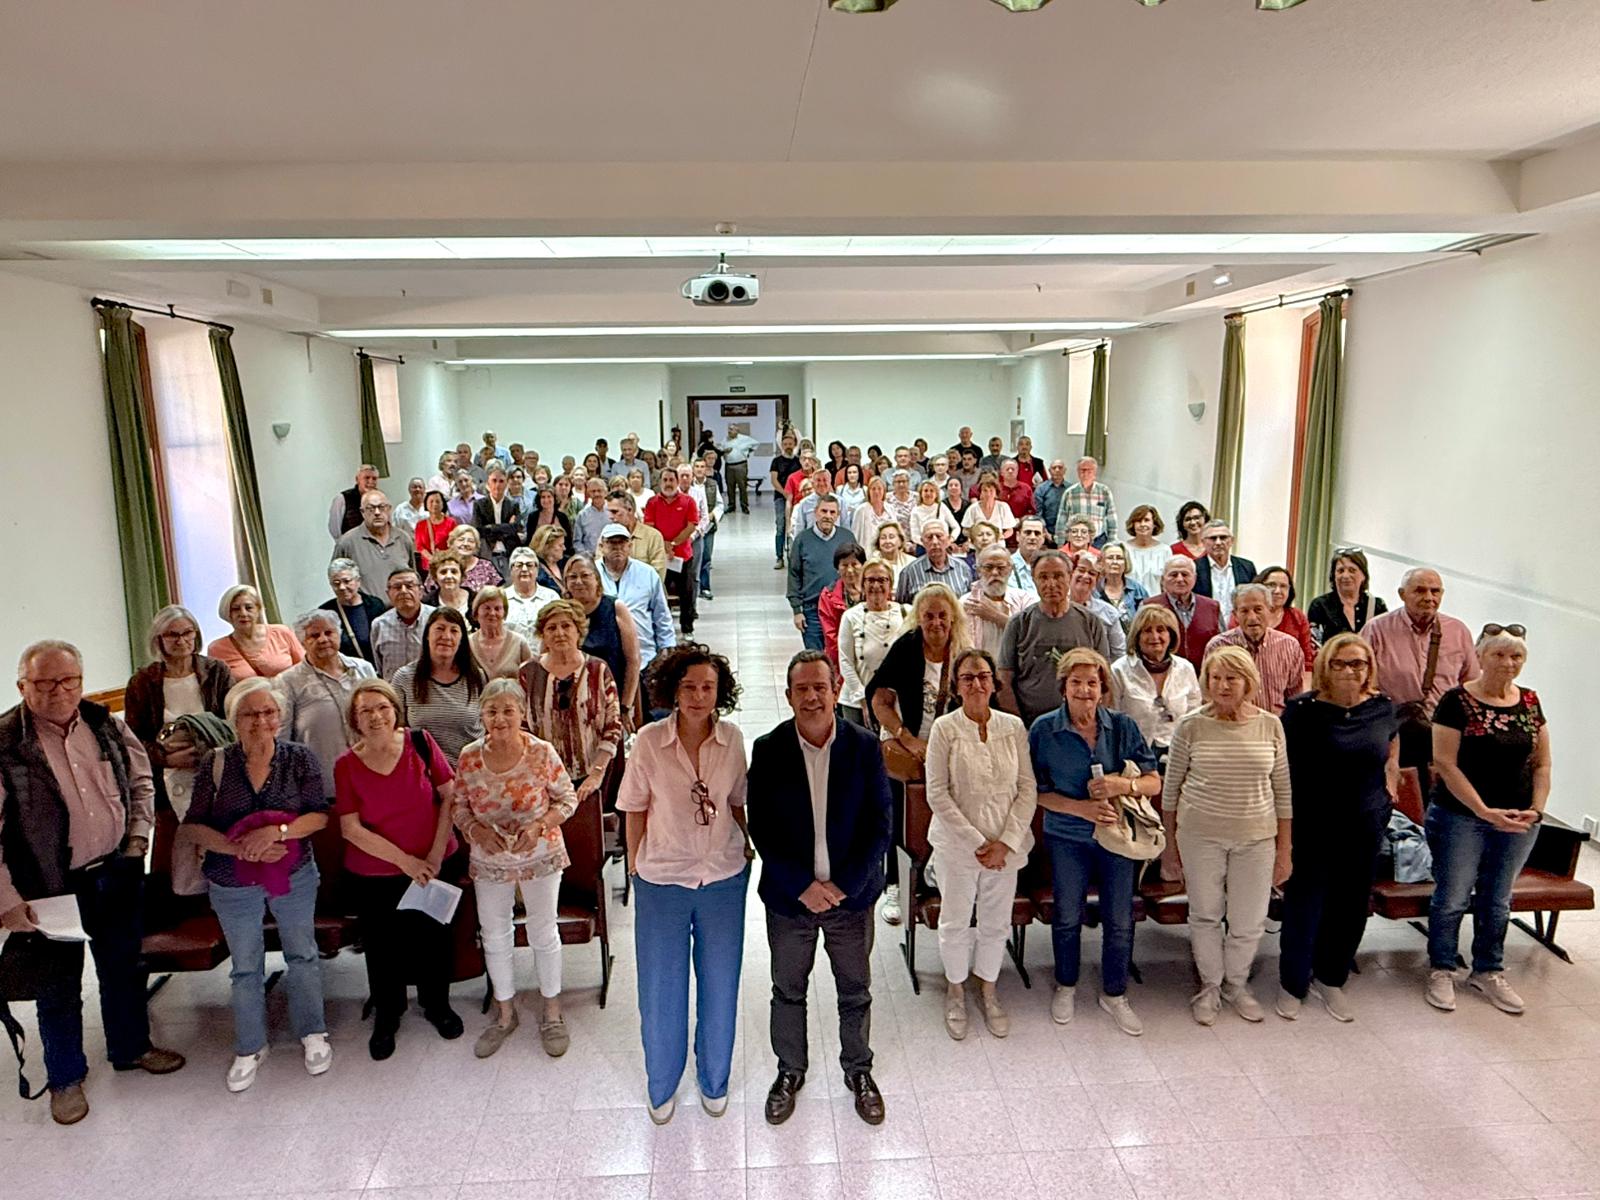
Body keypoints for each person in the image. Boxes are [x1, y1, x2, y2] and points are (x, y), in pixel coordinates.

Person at [1, 641, 184, 1124]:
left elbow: (141, 783)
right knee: (57, 987)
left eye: (69, 680)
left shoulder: (105, 724)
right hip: (47, 887)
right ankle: (65, 1079)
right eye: (44, 683)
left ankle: (130, 1049)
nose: (59, 691)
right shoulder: (5, 743)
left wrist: (137, 841)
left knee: (124, 968)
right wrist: (7, 901)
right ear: (22, 686)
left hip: (116, 872)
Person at [747, 651, 892, 1126]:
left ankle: (859, 1070)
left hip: (851, 898)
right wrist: (804, 886)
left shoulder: (865, 747)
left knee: (855, 989)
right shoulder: (768, 749)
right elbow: (761, 827)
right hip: (791, 901)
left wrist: (842, 887)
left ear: (836, 689)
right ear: (789, 696)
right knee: (788, 990)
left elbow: (880, 825)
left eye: (820, 687)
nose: (811, 697)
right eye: (801, 689)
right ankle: (790, 1070)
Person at [617, 645, 752, 1124]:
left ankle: (714, 1078)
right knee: (661, 987)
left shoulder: (733, 740)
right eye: (689, 686)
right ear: (673, 690)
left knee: (720, 982)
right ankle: (662, 1083)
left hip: (723, 877)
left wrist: (748, 847)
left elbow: (737, 801)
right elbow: (632, 807)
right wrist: (635, 867)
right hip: (662, 879)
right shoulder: (649, 742)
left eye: (708, 687)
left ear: (721, 693)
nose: (698, 695)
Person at [183, 679, 330, 1092]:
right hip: (232, 879)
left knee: (303, 953)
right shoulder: (215, 763)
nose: (260, 721)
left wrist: (276, 834)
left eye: (268, 712)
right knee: (246, 966)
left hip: (294, 872)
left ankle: (312, 1033)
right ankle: (250, 1046)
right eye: (249, 714)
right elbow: (193, 825)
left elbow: (318, 815)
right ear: (234, 721)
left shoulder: (299, 759)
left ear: (280, 718)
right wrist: (240, 848)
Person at [1030, 648, 1160, 1036]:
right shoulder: (1043, 730)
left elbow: (1154, 781)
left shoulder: (1121, 726)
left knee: (1120, 919)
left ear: (1104, 688)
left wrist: (1123, 784)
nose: (1085, 690)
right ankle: (1066, 985)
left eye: (1092, 682)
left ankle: (1115, 993)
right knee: (1067, 916)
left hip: (1117, 838)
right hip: (1067, 836)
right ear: (1063, 688)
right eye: (1076, 682)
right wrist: (1080, 809)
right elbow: (1035, 792)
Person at [1160, 645, 1293, 1025]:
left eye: (1231, 678)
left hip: (1256, 838)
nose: (1222, 685)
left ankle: (1236, 985)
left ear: (1248, 682)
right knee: (1204, 915)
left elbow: (1283, 791)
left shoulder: (1270, 725)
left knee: (1249, 920)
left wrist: (1284, 850)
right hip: (1200, 835)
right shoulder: (1191, 725)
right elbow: (1171, 793)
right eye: (1215, 678)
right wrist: (1170, 849)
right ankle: (1210, 987)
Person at [333, 679, 462, 1060]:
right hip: (377, 874)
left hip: (436, 861)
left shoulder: (421, 743)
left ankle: (437, 1004)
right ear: (354, 720)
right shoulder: (346, 765)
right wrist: (405, 862)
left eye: (382, 707)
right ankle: (388, 1015)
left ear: (395, 710)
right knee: (383, 948)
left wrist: (436, 854)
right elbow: (350, 828)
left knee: (435, 937)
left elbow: (449, 794)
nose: (375, 716)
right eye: (365, 711)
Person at [1424, 625, 1549, 1017]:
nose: (1508, 663)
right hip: (1461, 816)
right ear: (1480, 656)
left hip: (1518, 820)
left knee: (1498, 899)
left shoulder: (1529, 702)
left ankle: (1488, 970)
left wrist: (1537, 809)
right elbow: (1445, 763)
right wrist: (1483, 810)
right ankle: (1442, 968)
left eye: (1516, 656)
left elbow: (1542, 763)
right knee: (1453, 896)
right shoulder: (1456, 701)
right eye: (1499, 654)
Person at [453, 679, 578, 1059]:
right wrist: (475, 830)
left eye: (508, 710)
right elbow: (459, 807)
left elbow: (567, 798)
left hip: (540, 854)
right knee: (494, 934)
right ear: (482, 715)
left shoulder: (541, 753)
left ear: (522, 713)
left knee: (543, 929)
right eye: (492, 711)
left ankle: (552, 1011)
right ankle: (505, 1014)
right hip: (490, 858)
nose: (500, 718)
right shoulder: (469, 757)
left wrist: (540, 825)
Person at [1277, 634, 1399, 1023]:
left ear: (1369, 668)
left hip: (1364, 823)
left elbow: (1389, 752)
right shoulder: (1301, 711)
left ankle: (1331, 978)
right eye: (1340, 663)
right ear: (1324, 666)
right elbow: (1282, 772)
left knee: (1349, 906)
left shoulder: (1382, 708)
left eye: (1358, 663)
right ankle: (1293, 983)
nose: (1349, 671)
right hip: (1312, 824)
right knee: (1305, 905)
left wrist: (1389, 791)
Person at [925, 647, 1036, 1040]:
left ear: (994, 682)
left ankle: (987, 989)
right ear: (956, 686)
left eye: (983, 676)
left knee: (995, 922)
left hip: (1007, 847)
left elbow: (1027, 788)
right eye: (968, 677)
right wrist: (978, 842)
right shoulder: (945, 729)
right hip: (958, 847)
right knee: (956, 921)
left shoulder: (1012, 727)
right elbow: (937, 794)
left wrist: (1005, 842)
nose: (976, 683)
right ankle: (955, 990)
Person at [866, 584, 969, 925]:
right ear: (918, 619)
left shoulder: (963, 652)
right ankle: (895, 884)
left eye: (943, 615)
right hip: (908, 746)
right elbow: (880, 700)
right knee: (899, 816)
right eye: (929, 616)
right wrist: (906, 737)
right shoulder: (906, 649)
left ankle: (938, 877)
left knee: (946, 815)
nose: (936, 622)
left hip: (950, 750)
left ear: (953, 617)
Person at [1362, 567, 1480, 793]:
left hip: (1442, 735)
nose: (1429, 598)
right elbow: (1362, 685)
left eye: (1435, 591)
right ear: (1402, 594)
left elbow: (1471, 686)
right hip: (1393, 734)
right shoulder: (1377, 629)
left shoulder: (1458, 632)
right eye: (1420, 590)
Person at [123, 606, 233, 820]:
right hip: (166, 777)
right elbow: (132, 739)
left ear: (196, 634)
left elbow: (232, 722)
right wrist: (167, 759)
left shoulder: (217, 671)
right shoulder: (143, 681)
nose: (181, 640)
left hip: (217, 769)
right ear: (159, 639)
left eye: (187, 633)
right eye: (173, 634)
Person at [520, 599, 624, 808]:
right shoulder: (527, 672)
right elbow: (522, 727)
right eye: (551, 628)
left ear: (579, 631)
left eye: (566, 626)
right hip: (543, 780)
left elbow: (613, 726)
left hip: (590, 776)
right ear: (543, 635)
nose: (559, 633)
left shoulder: (598, 670)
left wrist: (596, 773)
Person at [997, 551, 1110, 726]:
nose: (1051, 584)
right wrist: (1020, 727)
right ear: (1034, 580)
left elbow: (1105, 678)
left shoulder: (1090, 622)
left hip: (1082, 726)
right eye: (1043, 577)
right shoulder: (1019, 624)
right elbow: (1004, 681)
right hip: (1030, 725)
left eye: (1058, 576)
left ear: (1070, 577)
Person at [277, 610, 377, 798]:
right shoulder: (287, 681)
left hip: (374, 773)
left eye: (329, 633)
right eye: (314, 635)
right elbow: (282, 739)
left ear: (339, 634)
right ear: (302, 641)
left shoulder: (364, 668)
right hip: (325, 783)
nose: (323, 639)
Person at [1110, 605, 1202, 770]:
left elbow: (1194, 720)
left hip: (1178, 756)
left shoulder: (1185, 668)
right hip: (1133, 758)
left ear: (1171, 635)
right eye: (1147, 631)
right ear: (1137, 636)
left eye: (1161, 630)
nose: (1155, 637)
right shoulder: (1119, 670)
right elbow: (1111, 719)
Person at [390, 608, 486, 763]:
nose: (446, 636)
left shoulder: (476, 678)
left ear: (462, 639)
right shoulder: (404, 678)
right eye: (440, 629)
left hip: (471, 773)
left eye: (454, 631)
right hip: (423, 776)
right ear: (427, 634)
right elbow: (395, 732)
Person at [1204, 584, 1305, 715]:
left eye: (1258, 609)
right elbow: (1209, 696)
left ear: (1270, 610)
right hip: (1231, 726)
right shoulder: (1218, 646)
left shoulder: (1290, 646)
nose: (1252, 617)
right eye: (1244, 611)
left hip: (1276, 727)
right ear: (1235, 615)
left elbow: (1295, 697)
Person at [566, 552, 644, 717]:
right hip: (572, 702)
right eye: (572, 577)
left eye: (585, 575)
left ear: (596, 578)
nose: (578, 581)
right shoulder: (561, 611)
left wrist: (625, 707)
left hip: (612, 700)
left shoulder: (615, 608)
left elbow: (633, 660)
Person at [837, 561, 911, 727]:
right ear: (862, 584)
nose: (876, 585)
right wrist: (863, 698)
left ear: (890, 584)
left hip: (894, 702)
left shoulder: (906, 613)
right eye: (870, 580)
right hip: (856, 703)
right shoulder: (850, 617)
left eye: (881, 580)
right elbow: (845, 662)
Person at [596, 528, 674, 675]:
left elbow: (661, 614)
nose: (618, 548)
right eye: (612, 543)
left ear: (630, 546)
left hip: (644, 658)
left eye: (623, 543)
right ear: (601, 546)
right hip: (602, 660)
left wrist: (666, 648)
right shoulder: (591, 574)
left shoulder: (647, 573)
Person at [788, 496, 857, 651]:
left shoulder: (847, 538)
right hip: (812, 611)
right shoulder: (802, 540)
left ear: (838, 515)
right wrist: (797, 611)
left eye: (832, 512)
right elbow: (794, 575)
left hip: (842, 607)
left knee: (843, 657)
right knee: (816, 660)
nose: (828, 515)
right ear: (815, 513)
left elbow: (858, 571)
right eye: (824, 511)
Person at [1142, 556, 1223, 673]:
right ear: (1163, 579)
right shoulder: (1148, 606)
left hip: (1204, 678)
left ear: (1194, 578)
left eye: (1185, 574)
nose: (1180, 579)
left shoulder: (1212, 607)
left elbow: (1222, 646)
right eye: (1173, 575)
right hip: (1161, 677)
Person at [645, 464, 700, 636]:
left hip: (683, 556)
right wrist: (664, 545)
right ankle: (662, 629)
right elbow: (649, 526)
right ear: (660, 482)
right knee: (660, 594)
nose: (668, 483)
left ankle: (687, 629)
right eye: (665, 480)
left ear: (677, 481)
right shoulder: (652, 502)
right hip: (660, 557)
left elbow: (691, 526)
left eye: (671, 480)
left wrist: (673, 544)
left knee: (687, 595)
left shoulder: (688, 501)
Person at [207, 585, 304, 681]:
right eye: (236, 609)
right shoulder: (217, 649)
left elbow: (306, 668)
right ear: (228, 614)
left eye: (249, 607)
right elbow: (218, 689)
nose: (243, 613)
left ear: (258, 610)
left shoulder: (281, 633)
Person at [334, 490, 415, 598]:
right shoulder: (347, 543)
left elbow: (412, 577)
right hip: (367, 612)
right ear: (362, 512)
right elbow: (336, 578)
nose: (377, 512)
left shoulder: (403, 539)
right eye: (371, 508)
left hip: (400, 611)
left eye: (382, 507)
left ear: (389, 509)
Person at [1235, 566, 1316, 670]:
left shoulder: (1297, 617)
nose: (1278, 591)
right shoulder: (1243, 613)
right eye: (1271, 585)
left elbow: (1306, 660)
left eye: (1283, 586)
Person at [963, 544, 1037, 657]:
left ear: (1011, 570)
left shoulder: (1026, 600)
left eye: (1001, 568)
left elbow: (1031, 635)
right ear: (978, 571)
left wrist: (993, 616)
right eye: (988, 567)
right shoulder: (966, 603)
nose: (995, 573)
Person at [1306, 546, 1388, 644]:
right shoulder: (1320, 605)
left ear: (1363, 575)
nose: (1345, 576)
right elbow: (1314, 644)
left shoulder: (1377, 606)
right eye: (1340, 571)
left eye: (1352, 570)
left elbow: (1386, 642)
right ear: (1334, 576)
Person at [370, 567, 436, 681]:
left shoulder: (437, 619)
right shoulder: (379, 625)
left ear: (421, 591)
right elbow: (380, 667)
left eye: (409, 586)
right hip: (394, 693)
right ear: (388, 593)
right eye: (397, 587)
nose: (403, 591)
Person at [321, 559, 389, 665]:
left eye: (347, 581)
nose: (342, 587)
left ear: (358, 581)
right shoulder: (325, 612)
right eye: (336, 583)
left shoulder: (375, 605)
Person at [893, 519, 972, 604]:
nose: (934, 541)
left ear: (949, 540)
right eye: (929, 537)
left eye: (939, 536)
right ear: (922, 542)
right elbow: (901, 608)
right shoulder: (909, 572)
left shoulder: (962, 568)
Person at [1067, 553, 1128, 661]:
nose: (1085, 576)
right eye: (1081, 570)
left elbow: (1120, 654)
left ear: (1098, 579)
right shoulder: (1055, 606)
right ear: (1071, 573)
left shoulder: (1109, 613)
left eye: (1092, 573)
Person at [817, 543, 868, 671]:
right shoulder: (828, 595)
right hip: (841, 660)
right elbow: (830, 636)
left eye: (854, 564)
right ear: (837, 569)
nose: (850, 570)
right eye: (844, 565)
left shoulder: (873, 590)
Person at [469, 586, 533, 680]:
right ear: (476, 611)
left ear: (504, 612)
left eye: (497, 608)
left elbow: (532, 679)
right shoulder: (467, 644)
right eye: (487, 608)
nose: (492, 613)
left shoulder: (519, 643)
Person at [1191, 520, 1256, 612]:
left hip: (1238, 624)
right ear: (1203, 542)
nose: (1218, 542)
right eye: (1213, 538)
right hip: (1206, 623)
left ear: (1232, 541)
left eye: (1223, 537)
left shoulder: (1247, 567)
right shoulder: (1193, 568)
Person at [471, 464, 524, 576]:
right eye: (494, 480)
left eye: (501, 481)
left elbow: (516, 527)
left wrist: (491, 527)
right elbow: (479, 530)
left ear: (506, 484)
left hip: (509, 552)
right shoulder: (479, 505)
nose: (497, 485)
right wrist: (505, 527)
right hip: (488, 553)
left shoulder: (513, 505)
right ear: (488, 484)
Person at [1054, 456, 1118, 548]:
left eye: (1089, 470)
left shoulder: (1104, 492)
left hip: (1098, 541)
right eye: (1082, 470)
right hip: (1075, 541)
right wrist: (1060, 543)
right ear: (1078, 472)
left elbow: (1111, 518)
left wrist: (1112, 542)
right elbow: (1062, 519)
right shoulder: (1070, 493)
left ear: (1095, 472)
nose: (1085, 474)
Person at [606, 490, 668, 581]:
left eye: (614, 512)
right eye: (609, 512)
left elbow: (658, 574)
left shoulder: (653, 536)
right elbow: (601, 570)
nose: (610, 516)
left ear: (630, 510)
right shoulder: (605, 536)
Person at [503, 547, 560, 642]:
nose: (524, 569)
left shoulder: (551, 597)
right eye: (519, 565)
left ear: (537, 571)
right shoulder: (501, 598)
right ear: (511, 570)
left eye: (529, 565)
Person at [769, 428, 803, 568]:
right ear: (782, 445)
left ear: (794, 444)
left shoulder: (798, 461)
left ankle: (794, 556)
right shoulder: (776, 461)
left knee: (795, 526)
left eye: (791, 443)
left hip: (797, 498)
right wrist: (785, 493)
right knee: (781, 525)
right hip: (781, 498)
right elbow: (774, 480)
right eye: (786, 444)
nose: (788, 446)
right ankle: (779, 557)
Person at [1097, 543, 1150, 630]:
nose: (1115, 562)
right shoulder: (1094, 590)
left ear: (1126, 562)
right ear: (1102, 562)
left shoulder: (1137, 590)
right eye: (1110, 558)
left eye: (1119, 558)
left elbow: (1147, 619)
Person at [1122, 505, 1169, 594]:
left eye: (1147, 520)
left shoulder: (1165, 550)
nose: (1142, 524)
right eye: (1139, 521)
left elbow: (1167, 583)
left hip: (1154, 604)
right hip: (1129, 603)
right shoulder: (1123, 548)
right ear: (1133, 524)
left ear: (1154, 524)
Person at [328, 463, 380, 540]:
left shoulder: (380, 499)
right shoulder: (342, 499)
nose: (371, 481)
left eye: (374, 478)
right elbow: (334, 529)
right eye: (367, 478)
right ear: (357, 479)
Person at [447, 524, 503, 591]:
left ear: (476, 546)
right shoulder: (442, 565)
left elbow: (499, 592)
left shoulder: (486, 566)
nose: (465, 544)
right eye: (461, 540)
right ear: (451, 543)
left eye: (471, 541)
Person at [414, 489, 457, 574]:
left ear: (443, 504)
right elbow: (419, 546)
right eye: (431, 501)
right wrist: (432, 559)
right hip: (428, 566)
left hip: (447, 563)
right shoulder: (421, 525)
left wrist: (442, 557)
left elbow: (455, 544)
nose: (434, 504)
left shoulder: (451, 522)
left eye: (438, 501)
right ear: (426, 504)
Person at [910, 478, 959, 549]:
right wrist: (928, 544)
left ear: (936, 494)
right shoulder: (915, 510)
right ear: (921, 494)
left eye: (932, 491)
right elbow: (914, 535)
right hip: (924, 547)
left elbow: (956, 527)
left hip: (943, 545)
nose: (928, 493)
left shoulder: (942, 507)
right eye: (926, 491)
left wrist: (950, 540)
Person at [426, 551, 474, 623]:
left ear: (462, 576)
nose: (449, 576)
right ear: (435, 577)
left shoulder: (476, 600)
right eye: (443, 572)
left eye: (454, 572)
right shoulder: (427, 603)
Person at [850, 475, 895, 551]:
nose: (876, 492)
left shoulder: (890, 509)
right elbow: (855, 535)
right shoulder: (861, 510)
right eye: (873, 489)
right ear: (869, 491)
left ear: (884, 491)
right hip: (868, 552)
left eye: (879, 489)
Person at [525, 484, 574, 551]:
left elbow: (568, 541)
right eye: (543, 497)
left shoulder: (562, 517)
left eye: (549, 497)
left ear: (554, 498)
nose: (546, 500)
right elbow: (529, 540)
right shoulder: (533, 516)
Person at [572, 476, 611, 556]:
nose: (596, 494)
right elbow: (577, 541)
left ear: (605, 492)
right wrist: (586, 557)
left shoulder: (614, 511)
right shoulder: (582, 515)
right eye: (593, 491)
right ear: (589, 493)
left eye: (599, 491)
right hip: (589, 559)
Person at [1010, 516, 1048, 591]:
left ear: (1043, 538)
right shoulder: (1007, 565)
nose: (1032, 537)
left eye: (1037, 533)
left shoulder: (1050, 566)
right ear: (1018, 536)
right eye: (1027, 533)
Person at [1033, 459, 1069, 537]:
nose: (1057, 470)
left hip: (1067, 533)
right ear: (1049, 471)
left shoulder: (1070, 489)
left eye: (1060, 467)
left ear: (1065, 470)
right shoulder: (1041, 489)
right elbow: (1038, 513)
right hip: (1046, 533)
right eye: (1054, 468)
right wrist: (1044, 531)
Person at [529, 524, 569, 594]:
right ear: (546, 547)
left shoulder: (567, 562)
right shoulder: (534, 570)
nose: (564, 548)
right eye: (560, 545)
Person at [996, 459, 1034, 528]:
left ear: (1017, 472)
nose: (1010, 471)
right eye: (1007, 469)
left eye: (1013, 469)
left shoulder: (1026, 488)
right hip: (999, 527)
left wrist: (1021, 520)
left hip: (1020, 527)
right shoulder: (996, 488)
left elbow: (1032, 511)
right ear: (1001, 472)